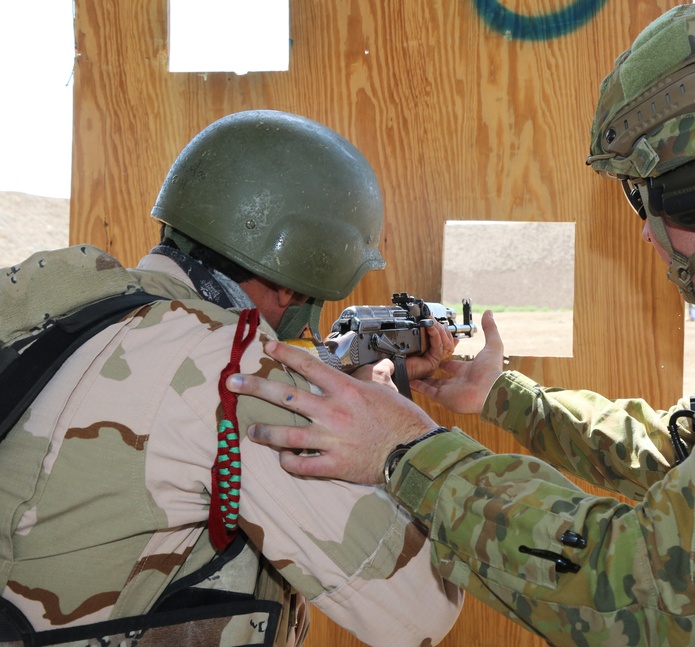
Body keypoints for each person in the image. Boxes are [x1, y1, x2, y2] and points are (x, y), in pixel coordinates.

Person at [227, 3, 695, 645]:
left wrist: (402, 453)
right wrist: (506, 398)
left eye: (645, 198)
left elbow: (646, 591)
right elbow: (693, 461)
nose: (643, 233)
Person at [0, 110, 462, 646]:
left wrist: (342, 376)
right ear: (292, 285)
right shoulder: (233, 370)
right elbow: (421, 611)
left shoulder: (69, 301)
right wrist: (390, 425)